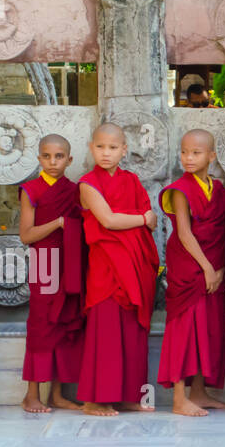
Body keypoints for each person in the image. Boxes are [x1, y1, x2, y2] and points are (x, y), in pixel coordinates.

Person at [77, 122, 161, 417]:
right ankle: (95, 399)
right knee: (106, 332)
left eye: (113, 147)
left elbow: (152, 217)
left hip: (135, 267)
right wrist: (140, 218)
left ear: (124, 150)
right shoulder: (88, 184)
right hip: (107, 268)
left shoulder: (132, 180)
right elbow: (109, 221)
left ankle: (127, 395)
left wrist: (143, 218)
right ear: (91, 148)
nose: (106, 153)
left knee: (131, 334)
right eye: (100, 147)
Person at [157, 129, 225, 417]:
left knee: (208, 329)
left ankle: (199, 392)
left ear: (211, 156)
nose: (188, 158)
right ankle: (179, 397)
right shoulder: (180, 189)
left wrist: (222, 268)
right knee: (184, 330)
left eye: (196, 152)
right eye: (184, 152)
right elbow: (185, 234)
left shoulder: (219, 192)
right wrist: (207, 269)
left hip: (215, 266)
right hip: (190, 267)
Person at [17, 134, 85, 413]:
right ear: (38, 158)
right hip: (45, 262)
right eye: (47, 156)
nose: (52, 162)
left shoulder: (75, 189)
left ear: (69, 160)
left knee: (64, 325)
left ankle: (57, 394)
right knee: (41, 327)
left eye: (59, 157)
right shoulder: (30, 189)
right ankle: (31, 395)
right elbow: (26, 235)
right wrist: (57, 223)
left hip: (70, 263)